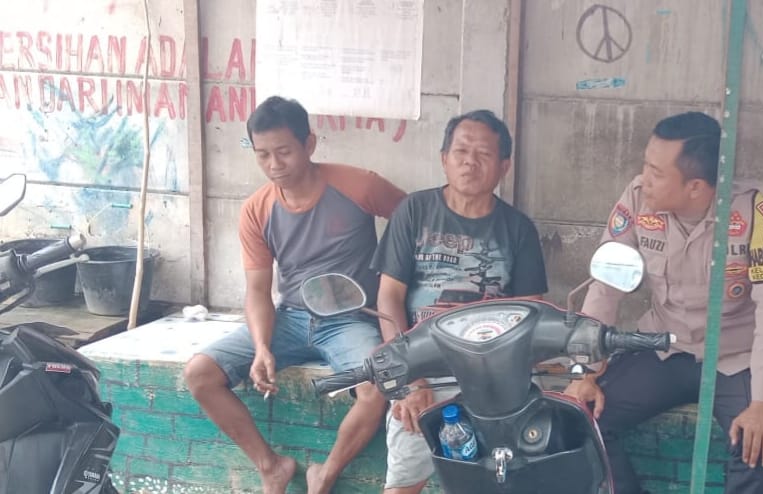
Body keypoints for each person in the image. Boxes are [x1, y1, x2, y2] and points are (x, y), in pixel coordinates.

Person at [565, 111, 763, 493]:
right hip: (663, 347)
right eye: (646, 165)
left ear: (695, 186)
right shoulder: (637, 198)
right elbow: (605, 285)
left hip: (736, 357)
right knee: (580, 418)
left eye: (656, 173)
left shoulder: (761, 211)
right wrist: (584, 373)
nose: (644, 179)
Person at [183, 96, 406, 494]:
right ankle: (271, 467)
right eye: (263, 155)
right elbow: (257, 290)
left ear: (309, 144)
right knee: (199, 374)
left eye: (284, 152)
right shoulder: (257, 209)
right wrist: (261, 347)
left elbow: (414, 220)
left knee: (376, 388)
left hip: (351, 320)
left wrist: (391, 275)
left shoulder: (359, 185)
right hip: (290, 318)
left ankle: (325, 474)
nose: (274, 164)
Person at [370, 109, 549, 493]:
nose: (470, 162)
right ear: (444, 159)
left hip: (496, 371)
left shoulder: (518, 229)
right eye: (461, 151)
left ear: (504, 166)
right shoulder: (414, 211)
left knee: (513, 473)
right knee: (403, 480)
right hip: (422, 365)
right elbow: (389, 297)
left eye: (484, 154)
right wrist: (410, 378)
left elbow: (530, 316)